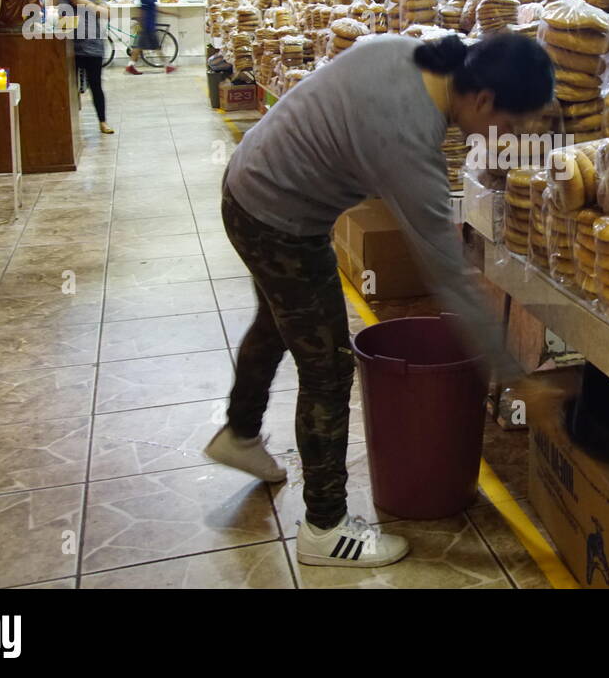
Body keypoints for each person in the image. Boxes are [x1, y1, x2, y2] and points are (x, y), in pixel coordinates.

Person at [205, 32, 554, 567]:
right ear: (483, 100)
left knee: (279, 321)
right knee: (327, 368)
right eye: (508, 125)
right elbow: (448, 275)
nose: (504, 138)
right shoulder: (408, 137)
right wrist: (517, 373)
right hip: (279, 219)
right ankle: (324, 528)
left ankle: (241, 431)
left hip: (249, 185)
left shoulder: (408, 52)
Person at [56, 0, 113, 134]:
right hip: (69, 48)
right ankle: (70, 122)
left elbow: (107, 14)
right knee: (68, 86)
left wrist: (84, 3)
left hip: (92, 46)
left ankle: (102, 121)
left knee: (95, 85)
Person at [123, 0, 175, 75]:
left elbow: (153, 8)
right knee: (150, 46)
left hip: (148, 24)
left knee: (140, 46)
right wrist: (142, 23)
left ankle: (131, 66)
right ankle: (167, 65)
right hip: (147, 24)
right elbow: (142, 10)